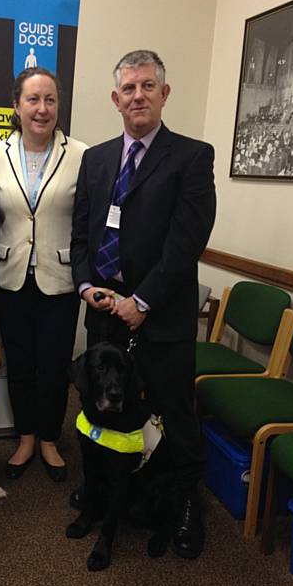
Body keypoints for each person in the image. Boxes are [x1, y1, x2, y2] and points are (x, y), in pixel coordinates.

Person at [70, 50, 216, 558]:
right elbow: (83, 230)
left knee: (173, 414)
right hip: (105, 314)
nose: (138, 96)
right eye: (128, 88)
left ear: (164, 93)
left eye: (147, 86)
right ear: (116, 99)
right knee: (104, 407)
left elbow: (187, 239)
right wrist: (86, 284)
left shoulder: (192, 156)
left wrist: (145, 300)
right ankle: (105, 491)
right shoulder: (97, 158)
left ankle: (182, 504)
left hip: (162, 318)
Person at [0, 67, 87, 482]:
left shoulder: (82, 154)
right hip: (10, 278)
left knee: (55, 364)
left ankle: (49, 438)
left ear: (58, 105)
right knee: (21, 364)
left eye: (50, 100)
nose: (42, 109)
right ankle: (25, 436)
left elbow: (90, 222)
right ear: (16, 106)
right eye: (32, 100)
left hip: (59, 279)